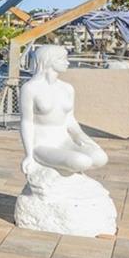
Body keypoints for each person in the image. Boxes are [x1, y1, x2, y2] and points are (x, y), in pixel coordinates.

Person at [19, 44, 107, 179]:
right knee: (81, 161)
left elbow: (70, 120)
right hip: (42, 144)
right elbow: (26, 122)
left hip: (64, 140)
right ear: (49, 61)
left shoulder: (67, 88)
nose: (67, 62)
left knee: (100, 157)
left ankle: (66, 176)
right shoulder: (30, 88)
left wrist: (82, 137)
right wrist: (29, 155)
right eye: (63, 59)